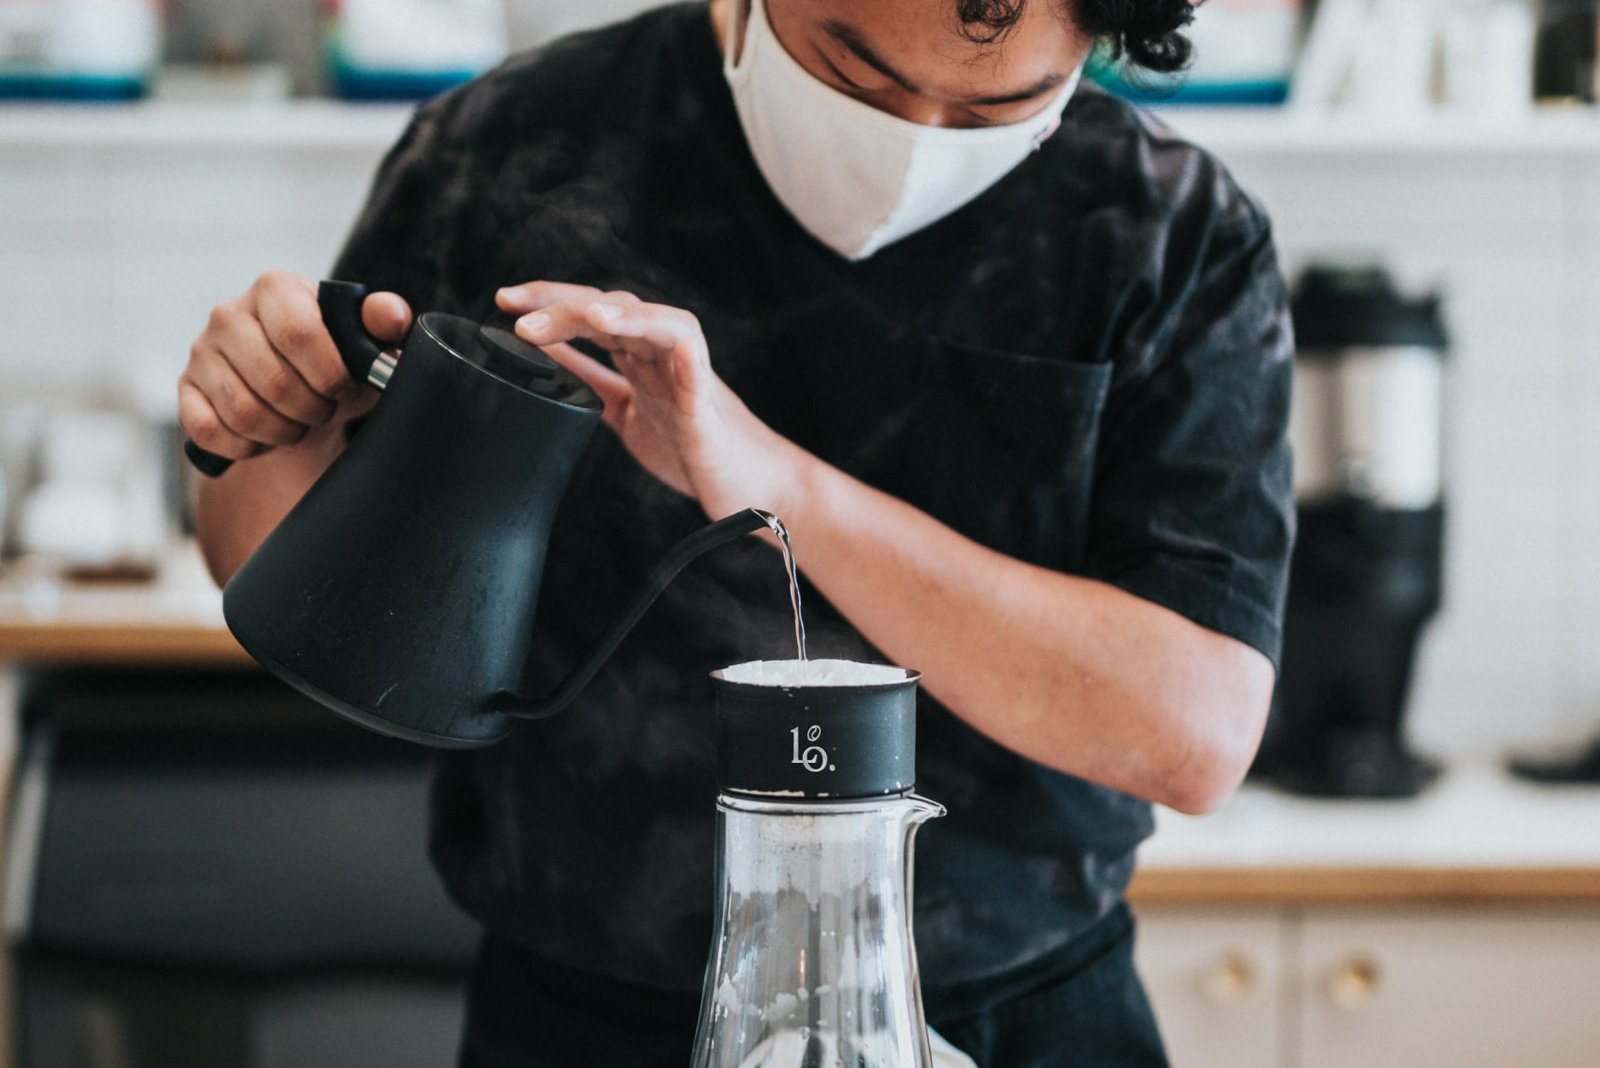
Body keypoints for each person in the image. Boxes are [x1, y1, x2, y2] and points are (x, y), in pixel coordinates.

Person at [180, 0, 1294, 1063]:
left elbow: (1189, 734)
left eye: (993, 111)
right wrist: (272, 421)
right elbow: (279, 567)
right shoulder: (506, 147)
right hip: (579, 1014)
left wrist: (769, 483)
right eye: (854, 71)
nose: (912, 139)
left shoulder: (1171, 236)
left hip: (1014, 1015)